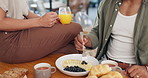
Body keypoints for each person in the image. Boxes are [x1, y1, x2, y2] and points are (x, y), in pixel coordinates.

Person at [74, 0, 148, 78]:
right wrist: (87, 40)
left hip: (135, 72)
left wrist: (146, 70)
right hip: (106, 66)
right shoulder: (107, 2)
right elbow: (98, 30)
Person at [0, 0, 82, 64]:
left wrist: (48, 20)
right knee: (76, 28)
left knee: (71, 48)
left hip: (21, 31)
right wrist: (40, 21)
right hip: (9, 41)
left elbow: (25, 12)